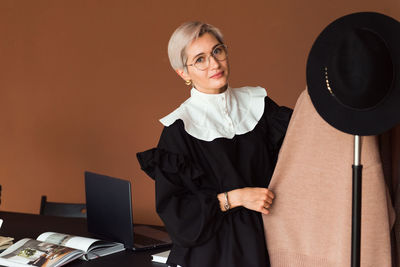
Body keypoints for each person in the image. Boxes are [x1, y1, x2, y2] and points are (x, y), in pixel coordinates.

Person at [136, 21, 292, 267]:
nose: (214, 64)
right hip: (214, 254)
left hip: (272, 240)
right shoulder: (180, 130)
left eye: (217, 51)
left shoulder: (260, 106)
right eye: (200, 59)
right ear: (183, 73)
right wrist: (236, 198)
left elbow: (296, 161)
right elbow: (179, 217)